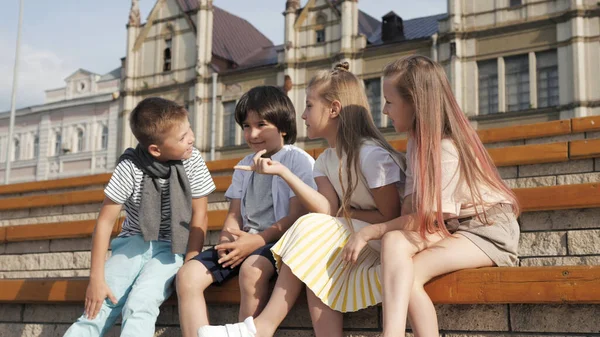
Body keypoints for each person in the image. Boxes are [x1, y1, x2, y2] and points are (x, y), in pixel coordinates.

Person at [198, 62, 406, 337]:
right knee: (315, 263)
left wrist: (347, 213)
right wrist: (284, 172)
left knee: (311, 230)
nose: (303, 115)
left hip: (389, 242)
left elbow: (391, 217)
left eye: (309, 106)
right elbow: (328, 210)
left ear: (333, 109)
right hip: (358, 239)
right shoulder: (325, 160)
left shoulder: (371, 156)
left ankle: (261, 328)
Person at [347, 54, 520, 337]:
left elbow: (430, 215)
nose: (385, 111)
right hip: (448, 225)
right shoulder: (416, 140)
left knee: (408, 271)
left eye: (389, 102)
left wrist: (371, 231)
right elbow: (411, 207)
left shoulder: (445, 147)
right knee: (394, 244)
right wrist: (388, 236)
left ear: (415, 102)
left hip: (485, 229)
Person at [63, 97, 215, 337]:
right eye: (182, 137)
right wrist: (96, 278)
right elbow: (104, 222)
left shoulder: (192, 159)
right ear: (156, 149)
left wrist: (191, 260)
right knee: (100, 305)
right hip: (133, 242)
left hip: (173, 246)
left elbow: (200, 215)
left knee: (140, 303)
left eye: (189, 130)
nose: (191, 139)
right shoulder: (130, 166)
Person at [176, 86, 316, 337]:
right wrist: (228, 240)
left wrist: (255, 242)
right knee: (187, 276)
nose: (252, 134)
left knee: (252, 270)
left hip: (277, 243)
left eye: (261, 124)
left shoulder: (297, 160)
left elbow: (297, 216)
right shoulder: (243, 164)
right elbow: (234, 214)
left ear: (283, 126)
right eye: (246, 126)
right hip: (245, 240)